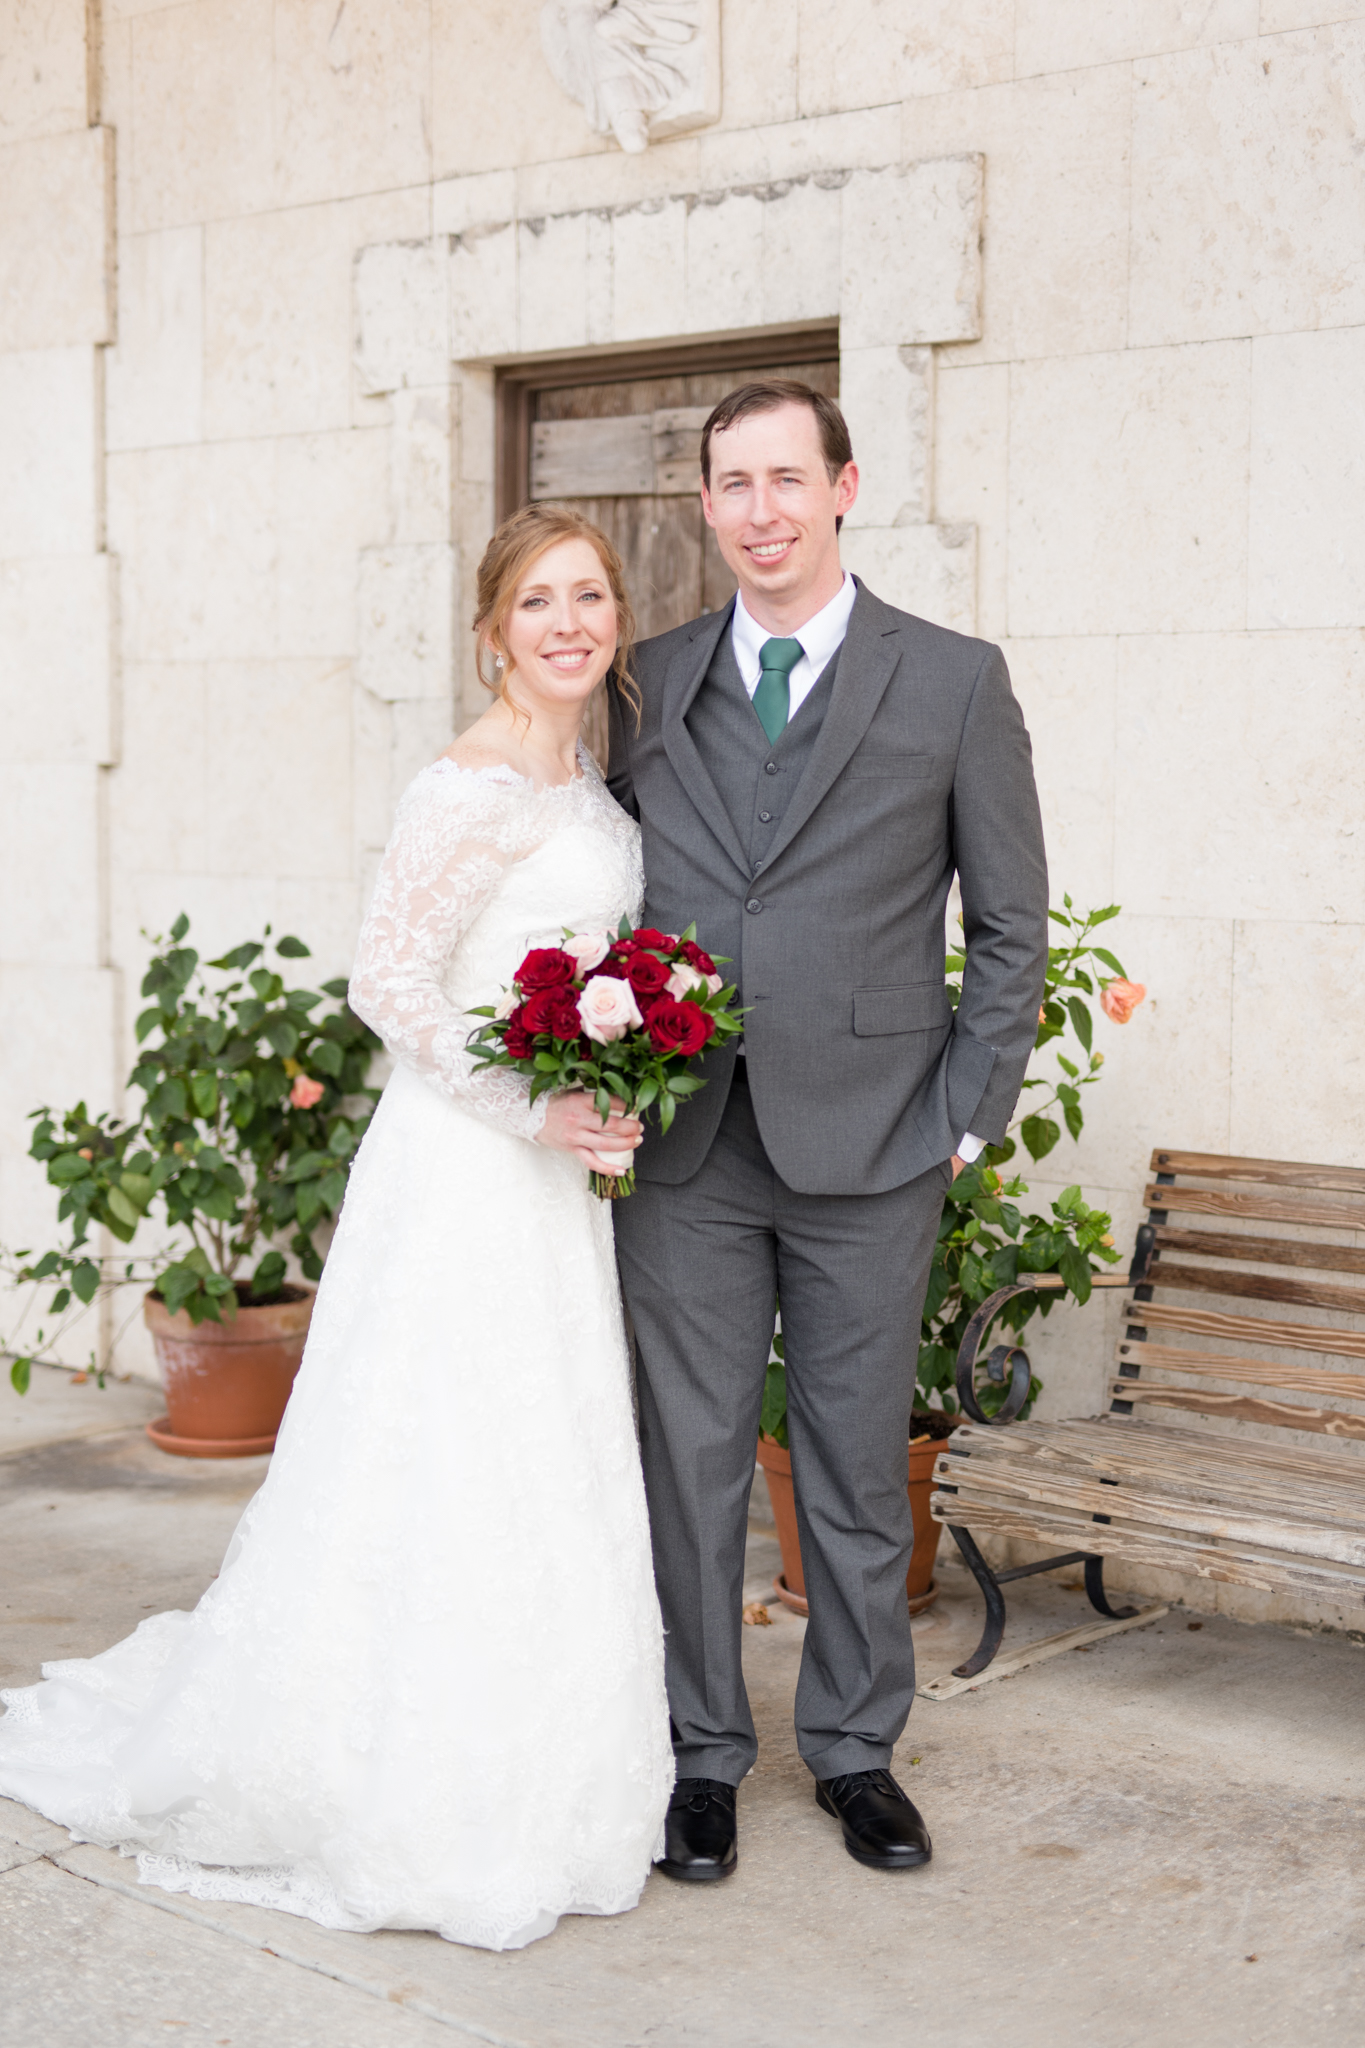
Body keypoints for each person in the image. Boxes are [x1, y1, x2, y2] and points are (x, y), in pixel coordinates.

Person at [0, 506, 672, 1952]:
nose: (568, 621)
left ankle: (541, 1758)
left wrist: (607, 1081)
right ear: (490, 629)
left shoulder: (593, 780)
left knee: (538, 1452)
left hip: (555, 1186)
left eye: (590, 596)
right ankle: (407, 1782)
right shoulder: (468, 784)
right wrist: (532, 1109)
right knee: (438, 1451)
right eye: (538, 600)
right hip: (463, 1168)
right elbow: (390, 984)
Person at [608, 380, 1048, 1880]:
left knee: (858, 1466)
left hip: (877, 1141)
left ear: (844, 487)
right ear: (709, 504)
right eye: (731, 484)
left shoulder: (952, 680)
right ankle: (701, 1757)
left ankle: (855, 1751)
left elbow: (1008, 926)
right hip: (686, 1145)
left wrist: (961, 1121)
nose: (760, 510)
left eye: (786, 478)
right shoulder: (646, 681)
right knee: (690, 1463)